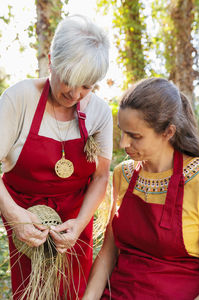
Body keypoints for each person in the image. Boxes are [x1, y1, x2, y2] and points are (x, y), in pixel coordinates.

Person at [0, 15, 112, 299]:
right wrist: (15, 216)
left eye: (86, 86)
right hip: (27, 220)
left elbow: (100, 176)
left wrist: (80, 224)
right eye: (69, 81)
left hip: (75, 221)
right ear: (51, 60)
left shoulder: (99, 112)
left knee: (76, 290)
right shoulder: (19, 99)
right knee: (31, 292)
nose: (74, 93)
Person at [83, 77, 199, 300]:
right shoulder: (123, 175)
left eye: (135, 136)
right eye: (122, 132)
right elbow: (109, 251)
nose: (123, 144)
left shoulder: (197, 179)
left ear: (168, 132)